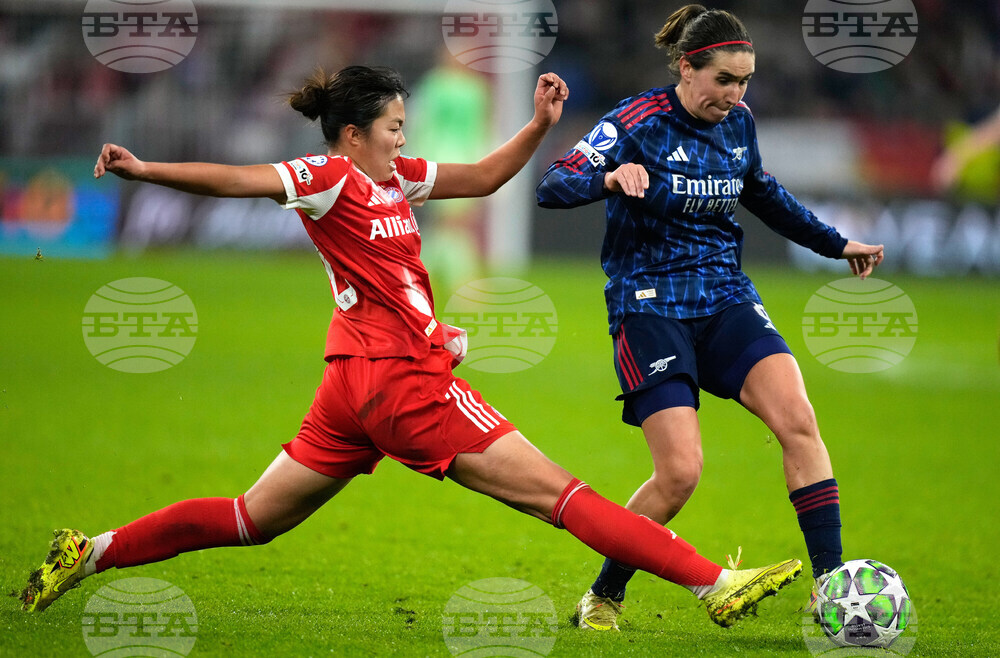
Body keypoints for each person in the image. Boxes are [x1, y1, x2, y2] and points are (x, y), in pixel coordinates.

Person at [19, 65, 802, 632]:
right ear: (355, 134)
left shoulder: (397, 179)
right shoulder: (331, 177)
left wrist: (537, 127)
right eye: (394, 129)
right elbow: (237, 179)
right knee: (564, 497)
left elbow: (488, 177)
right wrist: (145, 167)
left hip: (352, 385)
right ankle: (713, 584)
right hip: (402, 383)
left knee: (250, 516)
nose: (404, 140)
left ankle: (90, 553)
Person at [536, 5, 884, 631]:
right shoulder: (634, 122)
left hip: (725, 297)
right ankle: (604, 594)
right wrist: (611, 179)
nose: (735, 93)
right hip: (650, 306)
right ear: (686, 68)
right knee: (679, 475)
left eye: (744, 80)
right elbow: (554, 182)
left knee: (799, 422)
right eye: (723, 79)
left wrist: (837, 244)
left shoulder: (740, 124)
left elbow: (764, 194)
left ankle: (832, 585)